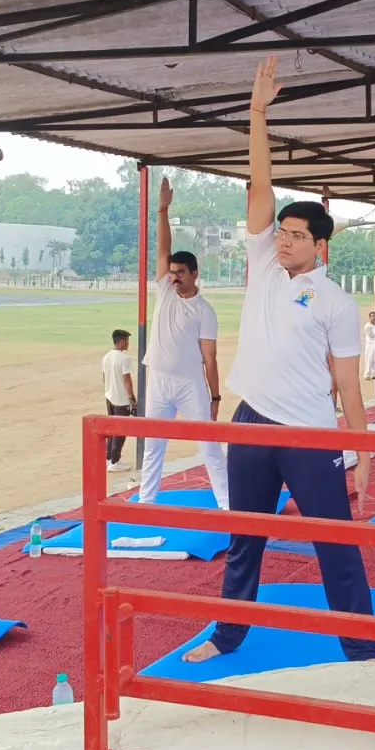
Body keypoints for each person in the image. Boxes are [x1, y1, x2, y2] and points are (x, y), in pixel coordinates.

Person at [184, 55, 375, 665]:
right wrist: (257, 115)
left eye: (295, 235)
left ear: (320, 244)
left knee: (335, 546)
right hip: (252, 423)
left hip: (310, 436)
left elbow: (348, 383)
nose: (282, 239)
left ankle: (362, 650)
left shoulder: (336, 300)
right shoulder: (266, 268)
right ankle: (227, 634)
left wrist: (363, 448)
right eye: (280, 233)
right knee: (246, 538)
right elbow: (262, 187)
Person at [138, 177, 228, 508]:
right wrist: (163, 208)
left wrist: (215, 396)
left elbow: (211, 358)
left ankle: (227, 504)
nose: (174, 276)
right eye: (172, 271)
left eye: (181, 272)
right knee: (153, 446)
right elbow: (162, 247)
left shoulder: (205, 310)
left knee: (209, 447)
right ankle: (146, 504)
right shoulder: (163, 289)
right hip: (159, 380)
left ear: (195, 274)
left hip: (191, 385)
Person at [101, 329, 136, 473]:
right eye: (127, 340)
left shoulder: (106, 357)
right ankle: (115, 461)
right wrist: (132, 397)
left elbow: (104, 377)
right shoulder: (124, 359)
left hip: (109, 397)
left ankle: (108, 458)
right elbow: (127, 380)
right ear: (121, 341)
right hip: (121, 400)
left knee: (111, 429)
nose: (128, 343)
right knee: (120, 431)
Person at [363, 310, 375, 380]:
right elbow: (371, 336)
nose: (373, 318)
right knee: (369, 359)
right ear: (369, 317)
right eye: (372, 316)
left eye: (374, 316)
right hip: (370, 345)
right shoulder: (367, 326)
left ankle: (374, 374)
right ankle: (367, 374)